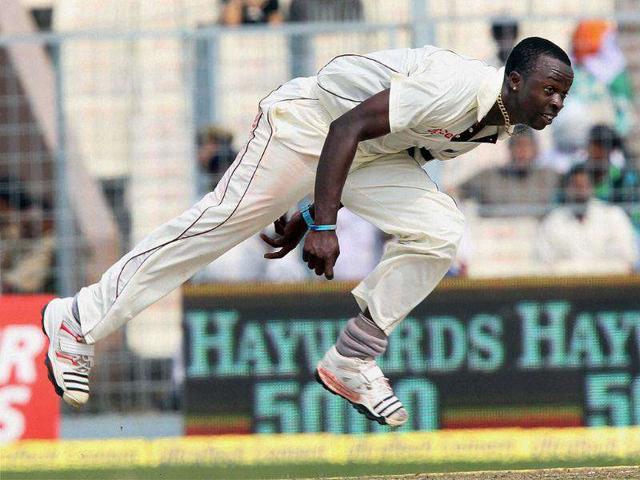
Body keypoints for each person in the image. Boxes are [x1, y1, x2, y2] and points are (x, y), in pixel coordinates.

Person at [41, 37, 573, 427]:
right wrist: (323, 221)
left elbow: (396, 146)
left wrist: (313, 202)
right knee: (216, 228)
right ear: (515, 80)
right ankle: (77, 319)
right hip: (310, 124)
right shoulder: (457, 89)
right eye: (550, 91)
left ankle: (353, 356)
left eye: (563, 97)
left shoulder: (499, 121)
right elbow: (347, 127)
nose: (556, 104)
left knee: (440, 229)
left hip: (359, 156)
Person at [536, 164, 638, 274]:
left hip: (609, 285)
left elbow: (628, 258)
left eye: (584, 185)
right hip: (566, 287)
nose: (580, 189)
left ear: (593, 187)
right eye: (575, 185)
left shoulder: (613, 215)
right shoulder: (553, 221)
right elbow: (545, 262)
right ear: (566, 189)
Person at [457, 128, 559, 213]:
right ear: (509, 148)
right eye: (517, 145)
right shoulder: (488, 176)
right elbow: (455, 192)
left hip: (540, 234)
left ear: (536, 149)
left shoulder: (550, 176)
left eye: (527, 146)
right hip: (495, 233)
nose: (522, 151)